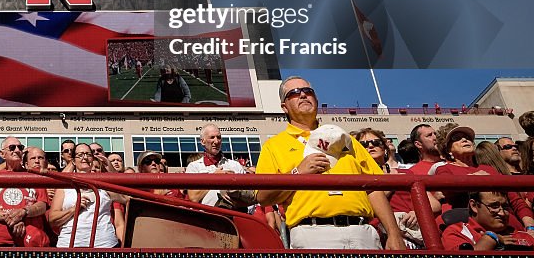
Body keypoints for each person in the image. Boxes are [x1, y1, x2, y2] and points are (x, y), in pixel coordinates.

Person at [255, 76, 405, 250]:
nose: (303, 95)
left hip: (362, 230)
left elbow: (372, 188)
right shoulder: (273, 145)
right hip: (312, 232)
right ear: (284, 107)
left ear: (316, 99)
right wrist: (297, 173)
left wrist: (394, 233)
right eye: (294, 93)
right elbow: (263, 197)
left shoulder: (345, 139)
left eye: (308, 91)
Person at [48, 142, 122, 247]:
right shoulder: (64, 187)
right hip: (70, 246)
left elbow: (126, 198)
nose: (85, 157)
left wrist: (109, 167)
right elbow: (53, 220)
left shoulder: (105, 185)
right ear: (73, 160)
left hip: (105, 245)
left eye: (88, 154)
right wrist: (73, 209)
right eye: (80, 155)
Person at [0, 137, 49, 246]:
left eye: (20, 147)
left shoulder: (34, 176)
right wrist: (13, 219)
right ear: (2, 154)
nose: (17, 150)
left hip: (30, 241)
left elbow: (42, 205)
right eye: (12, 148)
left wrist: (23, 212)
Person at [441, 191, 534, 251]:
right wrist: (491, 238)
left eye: (505, 207)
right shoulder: (456, 232)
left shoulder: (525, 236)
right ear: (474, 206)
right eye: (494, 206)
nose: (502, 213)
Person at [430, 124, 498, 212]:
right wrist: (475, 178)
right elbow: (446, 185)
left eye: (467, 137)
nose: (465, 139)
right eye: (457, 138)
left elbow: (512, 197)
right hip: (461, 220)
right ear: (448, 150)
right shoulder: (444, 169)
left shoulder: (487, 169)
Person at [185, 124, 252, 209]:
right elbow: (194, 198)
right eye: (212, 137)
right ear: (202, 141)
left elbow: (248, 197)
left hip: (233, 217)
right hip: (205, 218)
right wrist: (214, 178)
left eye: (219, 137)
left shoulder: (235, 165)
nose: (216, 141)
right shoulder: (194, 167)